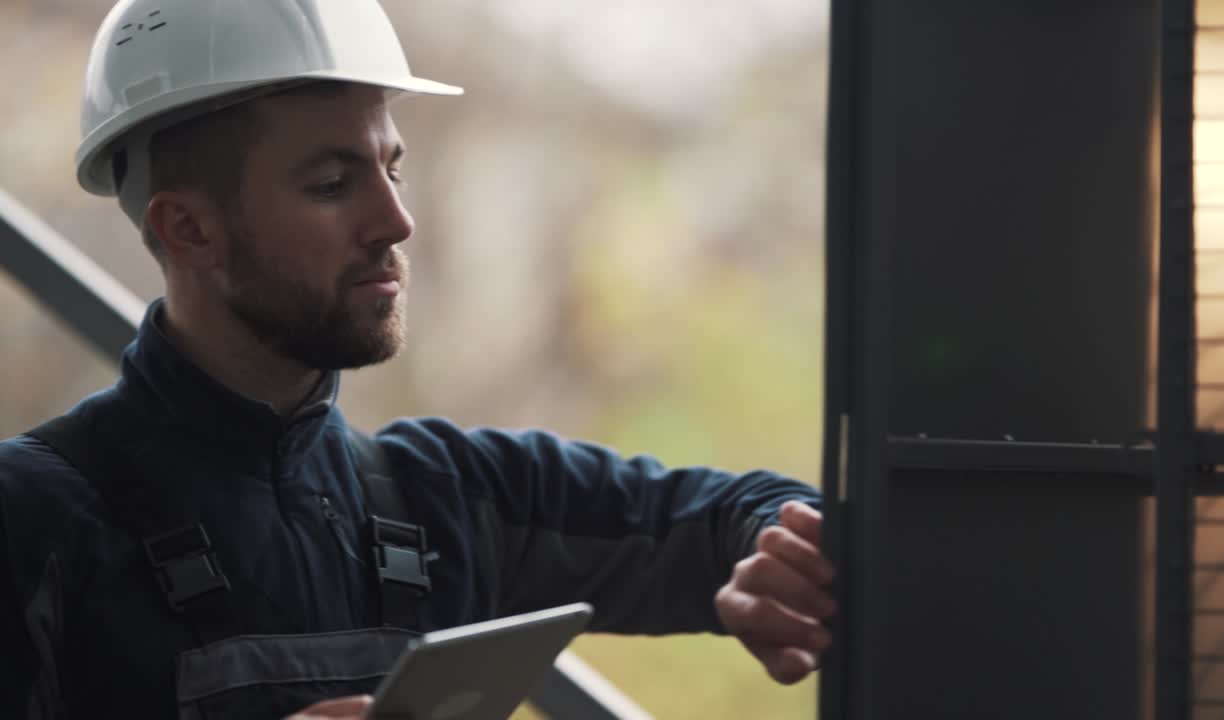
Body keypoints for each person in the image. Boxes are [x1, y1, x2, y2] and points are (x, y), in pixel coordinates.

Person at [0, 1, 834, 718]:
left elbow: (733, 511)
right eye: (332, 184)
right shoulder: (33, 518)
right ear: (187, 229)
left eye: (392, 168)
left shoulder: (452, 496)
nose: (395, 221)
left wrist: (781, 544)